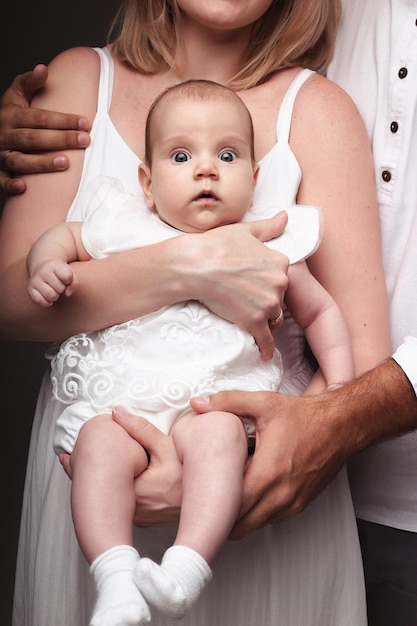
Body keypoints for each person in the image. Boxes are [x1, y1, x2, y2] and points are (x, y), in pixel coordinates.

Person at [0, 2, 393, 625]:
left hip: (258, 487)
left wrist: (252, 465)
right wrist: (192, 267)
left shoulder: (319, 111)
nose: (206, 169)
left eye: (228, 159)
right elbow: (13, 300)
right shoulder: (77, 83)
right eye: (179, 157)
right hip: (95, 461)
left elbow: (355, 354)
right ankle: (116, 577)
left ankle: (187, 562)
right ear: (147, 180)